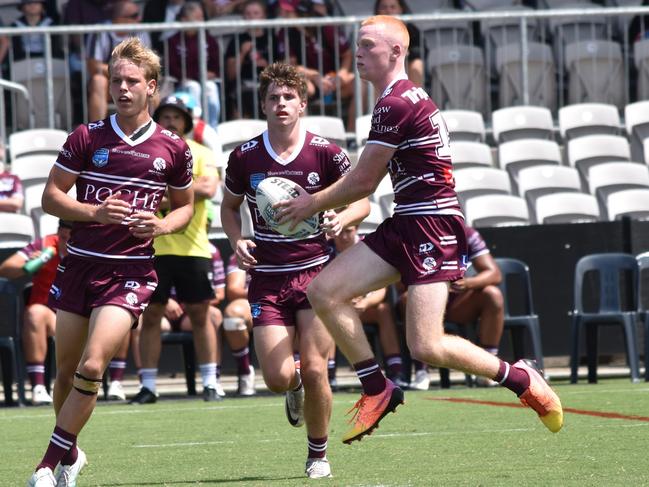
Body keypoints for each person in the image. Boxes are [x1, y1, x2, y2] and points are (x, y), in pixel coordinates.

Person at [275, 15, 563, 444]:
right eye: (358, 44)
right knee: (323, 291)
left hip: (431, 223)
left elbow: (363, 182)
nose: (358, 52)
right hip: (407, 219)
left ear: (396, 51)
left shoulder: (398, 102)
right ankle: (377, 388)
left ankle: (519, 377)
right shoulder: (395, 99)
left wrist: (308, 205)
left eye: (368, 44)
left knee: (426, 346)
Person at [27, 37, 194, 486]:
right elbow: (51, 198)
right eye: (115, 80)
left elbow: (185, 208)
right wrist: (93, 213)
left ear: (151, 87)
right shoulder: (86, 136)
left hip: (131, 272)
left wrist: (160, 226)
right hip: (79, 266)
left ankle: (45, 464)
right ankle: (72, 453)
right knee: (65, 374)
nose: (122, 89)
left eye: (131, 81)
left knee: (93, 364)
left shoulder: (173, 148)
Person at [220, 62, 369, 479]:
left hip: (318, 276)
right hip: (267, 277)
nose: (281, 103)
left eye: (289, 97)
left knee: (319, 365)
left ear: (302, 104)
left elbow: (363, 200)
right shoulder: (245, 157)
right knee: (277, 376)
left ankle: (317, 454)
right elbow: (228, 209)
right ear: (263, 105)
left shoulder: (326, 152)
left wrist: (343, 219)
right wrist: (237, 240)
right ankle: (294, 387)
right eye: (273, 98)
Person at [129, 94, 221, 404]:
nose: (170, 121)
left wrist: (166, 193)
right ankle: (149, 386)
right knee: (151, 317)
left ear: (186, 122)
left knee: (201, 315)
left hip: (193, 248)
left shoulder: (200, 152)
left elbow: (209, 188)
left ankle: (211, 382)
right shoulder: (145, 150)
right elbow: (134, 192)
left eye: (176, 117)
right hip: (151, 249)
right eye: (165, 116)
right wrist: (181, 193)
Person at [398, 223, 506, 389]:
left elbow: (494, 273)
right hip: (425, 301)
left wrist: (468, 283)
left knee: (493, 295)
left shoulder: (468, 233)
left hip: (457, 304)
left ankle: (489, 368)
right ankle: (421, 372)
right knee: (406, 298)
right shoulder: (412, 234)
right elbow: (399, 284)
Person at [0, 220, 71, 405]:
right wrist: (30, 263)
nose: (66, 242)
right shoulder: (45, 245)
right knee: (34, 313)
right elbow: (6, 268)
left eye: (71, 238)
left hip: (80, 314)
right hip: (52, 315)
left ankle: (116, 383)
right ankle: (39, 388)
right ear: (59, 233)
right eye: (63, 237)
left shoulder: (90, 249)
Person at [327, 224, 404, 388]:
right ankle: (329, 375)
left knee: (384, 311)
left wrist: (365, 302)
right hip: (336, 307)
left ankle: (395, 371)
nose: (344, 237)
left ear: (357, 228)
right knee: (323, 314)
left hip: (365, 306)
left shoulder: (368, 246)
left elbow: (383, 288)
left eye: (349, 231)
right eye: (340, 232)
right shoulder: (325, 249)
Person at [85, 1, 151, 121]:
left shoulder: (140, 31)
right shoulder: (100, 31)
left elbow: (147, 64)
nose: (139, 19)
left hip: (135, 79)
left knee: (151, 84)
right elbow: (93, 66)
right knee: (98, 81)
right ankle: (96, 134)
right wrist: (121, 74)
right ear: (119, 19)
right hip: (109, 81)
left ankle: (152, 133)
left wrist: (128, 76)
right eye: (134, 15)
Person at [167, 1, 222, 129]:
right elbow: (172, 67)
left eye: (202, 17)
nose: (202, 21)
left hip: (205, 80)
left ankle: (212, 129)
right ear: (184, 19)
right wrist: (193, 76)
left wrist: (212, 72)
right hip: (183, 83)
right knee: (193, 87)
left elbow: (217, 65)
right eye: (198, 18)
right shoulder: (173, 41)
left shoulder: (209, 39)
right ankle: (194, 127)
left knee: (211, 87)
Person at [224, 0, 272, 119]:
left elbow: (283, 67)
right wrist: (242, 53)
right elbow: (231, 74)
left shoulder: (272, 39)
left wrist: (267, 67)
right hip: (243, 86)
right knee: (243, 95)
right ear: (244, 17)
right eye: (248, 14)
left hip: (267, 83)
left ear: (264, 16)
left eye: (256, 13)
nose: (252, 17)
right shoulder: (236, 40)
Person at [223, 251, 256, 395]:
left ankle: (299, 372)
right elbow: (233, 290)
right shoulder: (246, 251)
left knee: (301, 308)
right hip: (257, 301)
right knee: (233, 317)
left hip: (287, 299)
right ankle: (245, 371)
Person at [374, 0, 424, 87]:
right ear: (377, 11)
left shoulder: (411, 30)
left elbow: (418, 52)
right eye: (384, 7)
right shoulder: (371, 30)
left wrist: (403, 53)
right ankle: (380, 101)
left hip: (405, 65)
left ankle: (414, 98)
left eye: (392, 7)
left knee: (417, 65)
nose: (388, 11)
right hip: (380, 67)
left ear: (401, 9)